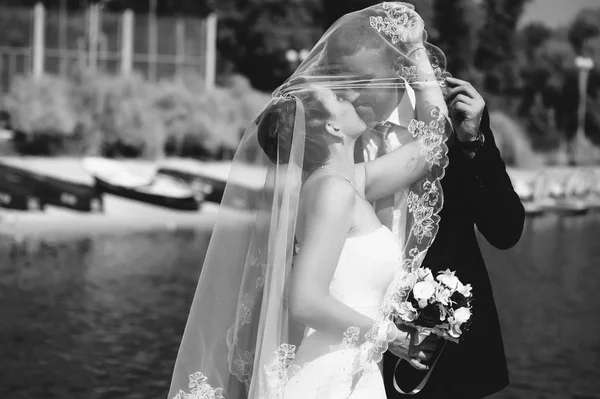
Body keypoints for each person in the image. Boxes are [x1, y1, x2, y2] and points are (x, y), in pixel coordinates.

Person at [167, 3, 453, 398]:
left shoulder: (338, 182)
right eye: (339, 99)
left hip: (350, 369)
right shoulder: (336, 187)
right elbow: (304, 300)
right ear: (334, 126)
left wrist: (414, 51)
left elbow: (429, 143)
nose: (350, 97)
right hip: (330, 374)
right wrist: (391, 337)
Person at [316, 2, 525, 398]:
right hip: (349, 347)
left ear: (396, 69)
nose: (348, 93)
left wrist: (472, 144)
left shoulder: (456, 117)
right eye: (341, 80)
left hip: (446, 357)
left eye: (362, 81)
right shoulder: (328, 126)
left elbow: (506, 231)